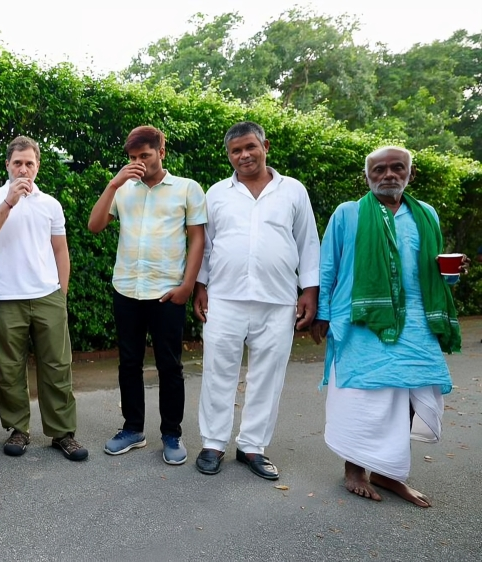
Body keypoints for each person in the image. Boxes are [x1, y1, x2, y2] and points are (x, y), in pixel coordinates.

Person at [311, 146, 463, 507]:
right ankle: (355, 470)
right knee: (363, 395)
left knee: (410, 389)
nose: (388, 175)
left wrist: (453, 277)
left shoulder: (427, 214)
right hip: (360, 320)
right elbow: (328, 265)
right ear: (367, 176)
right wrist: (323, 313)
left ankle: (387, 472)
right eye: (379, 170)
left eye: (398, 168)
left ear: (411, 174)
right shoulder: (348, 215)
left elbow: (436, 273)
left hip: (417, 321)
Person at [193, 121, 320, 480]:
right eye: (236, 150)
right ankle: (213, 443)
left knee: (268, 375)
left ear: (265, 145)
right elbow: (206, 244)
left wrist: (309, 291)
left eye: (250, 147)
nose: (244, 155)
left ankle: (252, 447)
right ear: (229, 155)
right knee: (218, 371)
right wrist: (200, 286)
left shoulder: (293, 191)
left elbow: (307, 242)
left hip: (278, 300)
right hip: (225, 297)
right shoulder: (216, 193)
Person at [87, 126, 206, 464]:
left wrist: (187, 285)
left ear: (161, 152)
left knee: (170, 365)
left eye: (145, 155)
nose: (138, 163)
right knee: (129, 363)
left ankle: (171, 434)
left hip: (167, 291)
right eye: (132, 157)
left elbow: (197, 238)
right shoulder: (123, 190)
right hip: (127, 288)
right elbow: (95, 226)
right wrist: (113, 183)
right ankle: (133, 429)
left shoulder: (186, 189)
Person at [0, 136, 88, 461]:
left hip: (47, 296)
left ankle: (63, 433)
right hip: (6, 297)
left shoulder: (50, 204)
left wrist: (60, 295)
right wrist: (8, 202)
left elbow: (60, 249)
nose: (24, 169)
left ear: (38, 166)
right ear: (7, 164)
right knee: (9, 369)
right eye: (18, 163)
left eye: (30, 163)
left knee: (57, 366)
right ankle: (18, 429)